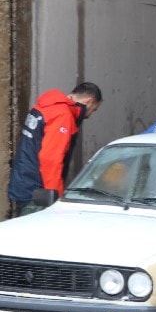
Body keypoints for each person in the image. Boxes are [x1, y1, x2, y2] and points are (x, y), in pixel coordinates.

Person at [7, 82, 103, 216]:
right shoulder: (63, 114)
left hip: (24, 183)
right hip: (37, 192)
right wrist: (55, 198)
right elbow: (50, 159)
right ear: (89, 101)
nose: (90, 115)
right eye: (94, 109)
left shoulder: (45, 106)